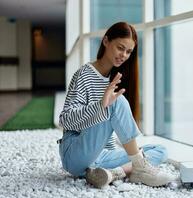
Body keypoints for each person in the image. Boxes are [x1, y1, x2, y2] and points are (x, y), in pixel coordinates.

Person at [58, 22, 175, 188]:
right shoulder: (84, 74)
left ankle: (114, 173)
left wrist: (119, 149)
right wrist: (100, 105)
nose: (124, 55)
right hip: (74, 154)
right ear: (106, 41)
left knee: (160, 150)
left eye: (128, 52)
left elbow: (105, 133)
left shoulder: (115, 77)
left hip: (101, 156)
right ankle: (138, 168)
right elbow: (65, 120)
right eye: (120, 48)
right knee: (116, 101)